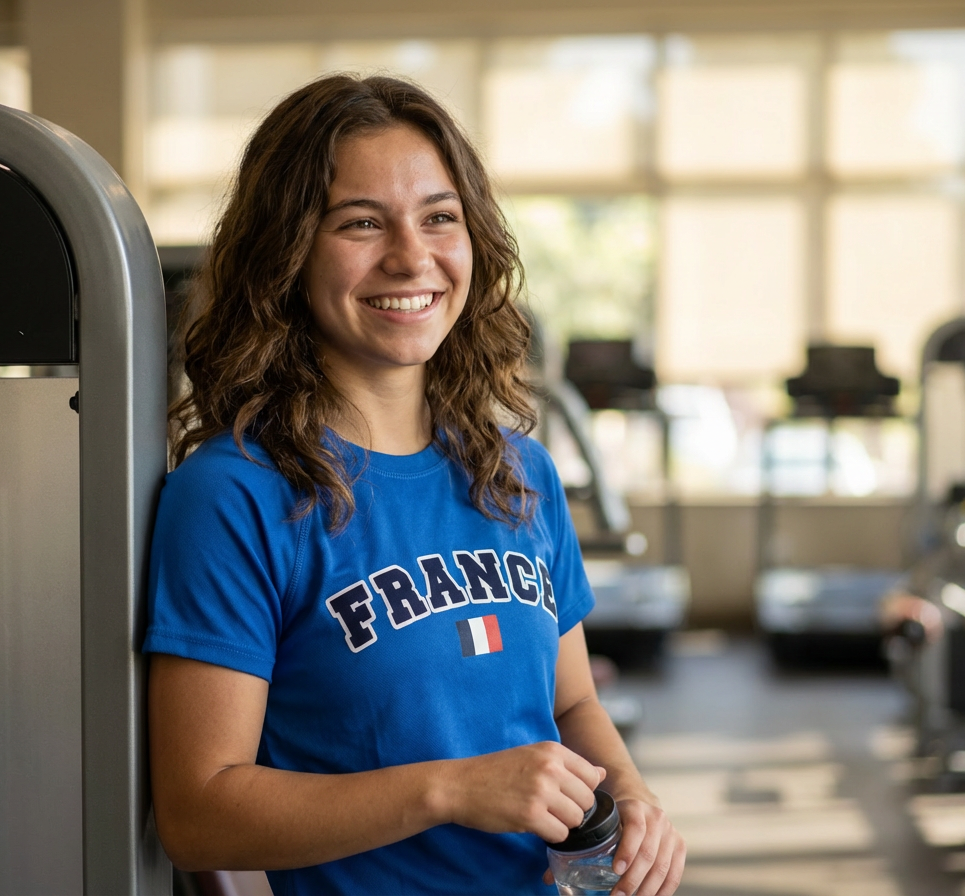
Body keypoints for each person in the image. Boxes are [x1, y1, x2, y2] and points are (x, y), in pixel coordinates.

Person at [144, 73, 685, 896]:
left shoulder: (518, 471)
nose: (411, 256)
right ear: (286, 252)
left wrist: (634, 796)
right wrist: (451, 789)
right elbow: (198, 812)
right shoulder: (232, 496)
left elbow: (573, 706)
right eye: (362, 222)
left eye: (439, 218)